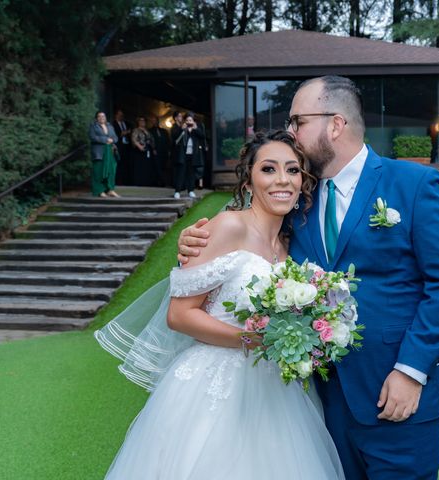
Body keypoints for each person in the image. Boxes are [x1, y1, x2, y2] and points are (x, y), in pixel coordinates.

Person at [178, 75, 439, 479]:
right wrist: (194, 242)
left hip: (397, 399)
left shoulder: (412, 184)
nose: (292, 134)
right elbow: (250, 244)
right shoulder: (298, 200)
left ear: (335, 124)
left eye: (298, 122)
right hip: (320, 407)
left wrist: (411, 370)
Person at [94, 130, 344, 480]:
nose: (282, 180)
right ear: (249, 180)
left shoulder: (290, 246)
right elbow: (179, 315)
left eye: (292, 170)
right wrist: (252, 339)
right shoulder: (226, 227)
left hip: (274, 389)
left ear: (303, 181)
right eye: (269, 169)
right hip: (214, 383)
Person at [173, 111, 205, 199]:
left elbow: (202, 136)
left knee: (191, 174)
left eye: (190, 120)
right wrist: (181, 129)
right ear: (185, 121)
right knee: (181, 173)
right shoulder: (182, 128)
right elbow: (174, 137)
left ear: (193, 121)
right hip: (183, 155)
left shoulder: (196, 129)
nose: (189, 122)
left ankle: (191, 190)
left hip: (193, 155)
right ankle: (177, 191)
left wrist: (196, 129)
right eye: (187, 120)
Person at [88, 111, 119, 198]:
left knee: (110, 171)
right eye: (99, 116)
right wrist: (105, 140)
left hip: (110, 152)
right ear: (96, 118)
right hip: (99, 152)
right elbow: (92, 137)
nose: (102, 118)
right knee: (98, 172)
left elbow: (115, 137)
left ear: (105, 117)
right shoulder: (93, 126)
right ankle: (100, 191)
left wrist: (112, 140)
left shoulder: (110, 126)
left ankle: (110, 190)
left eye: (103, 116)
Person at [131, 116, 155, 186]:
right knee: (139, 167)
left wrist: (153, 148)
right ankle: (139, 182)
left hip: (147, 150)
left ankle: (146, 182)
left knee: (146, 167)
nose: (142, 122)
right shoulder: (136, 130)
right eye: (140, 121)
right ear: (138, 122)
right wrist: (139, 146)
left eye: (144, 121)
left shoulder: (147, 131)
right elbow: (134, 139)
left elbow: (152, 140)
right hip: (139, 151)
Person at [149, 115, 170, 186]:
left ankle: (164, 181)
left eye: (156, 120)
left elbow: (168, 141)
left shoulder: (164, 131)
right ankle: (160, 182)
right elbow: (150, 141)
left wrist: (168, 150)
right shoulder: (150, 131)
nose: (155, 122)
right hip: (156, 152)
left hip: (164, 152)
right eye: (153, 121)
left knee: (164, 166)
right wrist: (153, 149)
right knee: (157, 167)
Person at [113, 109, 132, 185]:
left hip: (127, 146)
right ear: (116, 115)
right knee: (119, 163)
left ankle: (126, 181)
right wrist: (125, 132)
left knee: (126, 164)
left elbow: (130, 131)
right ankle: (118, 181)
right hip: (119, 146)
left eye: (122, 115)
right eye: (119, 115)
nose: (121, 116)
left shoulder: (126, 123)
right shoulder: (114, 124)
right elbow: (117, 134)